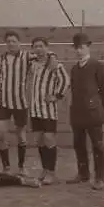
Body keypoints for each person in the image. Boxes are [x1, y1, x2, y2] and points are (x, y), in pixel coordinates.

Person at [67, 33, 104, 190]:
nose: (79, 51)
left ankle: (99, 178)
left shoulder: (98, 66)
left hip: (93, 113)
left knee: (97, 145)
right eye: (77, 48)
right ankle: (83, 173)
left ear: (88, 47)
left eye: (82, 47)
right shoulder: (74, 69)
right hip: (77, 113)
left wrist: (100, 108)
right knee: (78, 144)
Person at [0, 30, 37, 175]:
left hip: (20, 103)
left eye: (14, 41)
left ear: (19, 42)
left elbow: (44, 56)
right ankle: (6, 167)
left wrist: (51, 57)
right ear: (6, 43)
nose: (11, 44)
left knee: (20, 135)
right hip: (3, 102)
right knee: (0, 135)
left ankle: (21, 166)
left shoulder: (27, 56)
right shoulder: (1, 59)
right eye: (9, 41)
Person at [29, 37, 70, 185]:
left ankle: (51, 172)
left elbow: (65, 80)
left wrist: (56, 96)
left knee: (49, 138)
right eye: (35, 46)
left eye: (41, 46)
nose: (38, 49)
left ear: (47, 47)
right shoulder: (32, 62)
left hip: (48, 110)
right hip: (35, 109)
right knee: (39, 139)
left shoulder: (55, 65)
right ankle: (45, 169)